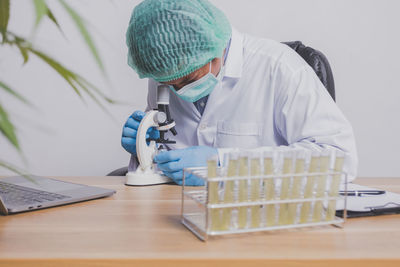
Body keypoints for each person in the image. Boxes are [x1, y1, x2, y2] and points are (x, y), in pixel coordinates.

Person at [122, 0, 358, 185]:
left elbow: (338, 161)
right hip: (177, 215)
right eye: (169, 83)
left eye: (188, 79)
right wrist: (145, 150)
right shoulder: (168, 70)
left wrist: (224, 165)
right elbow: (171, 160)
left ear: (214, 49)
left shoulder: (280, 68)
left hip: (261, 219)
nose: (178, 90)